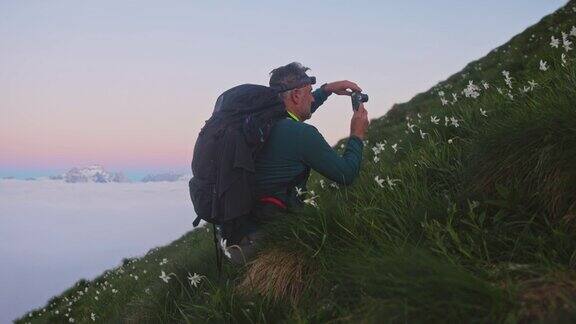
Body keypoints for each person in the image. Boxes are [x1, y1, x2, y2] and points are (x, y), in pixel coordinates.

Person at [219, 62, 369, 264]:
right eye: (310, 92)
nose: (313, 97)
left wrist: (327, 90)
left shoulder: (260, 122)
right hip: (263, 246)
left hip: (234, 241)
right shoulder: (301, 135)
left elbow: (298, 113)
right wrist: (357, 134)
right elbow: (346, 174)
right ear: (296, 95)